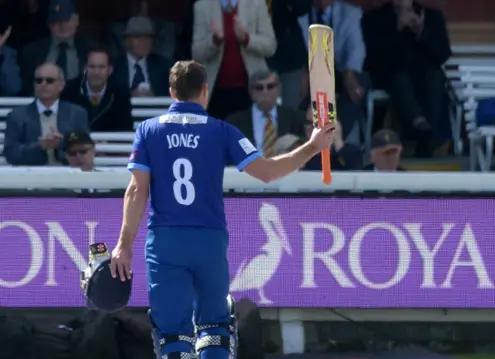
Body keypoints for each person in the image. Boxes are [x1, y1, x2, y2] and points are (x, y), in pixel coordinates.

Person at [110, 60, 333, 359]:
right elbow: (267, 172)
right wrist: (312, 147)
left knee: (173, 337)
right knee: (214, 330)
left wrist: (124, 245)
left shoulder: (148, 131)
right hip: (209, 241)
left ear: (171, 92)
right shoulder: (221, 130)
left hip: (165, 242)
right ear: (205, 91)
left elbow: (137, 190)